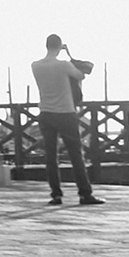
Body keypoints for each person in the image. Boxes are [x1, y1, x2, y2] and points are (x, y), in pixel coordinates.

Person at [32, 35, 101, 206]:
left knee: (51, 156)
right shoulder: (63, 65)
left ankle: (56, 195)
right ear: (59, 45)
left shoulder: (35, 66)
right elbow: (81, 75)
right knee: (76, 155)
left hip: (46, 113)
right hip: (65, 113)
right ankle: (85, 194)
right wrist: (69, 53)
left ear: (46, 45)